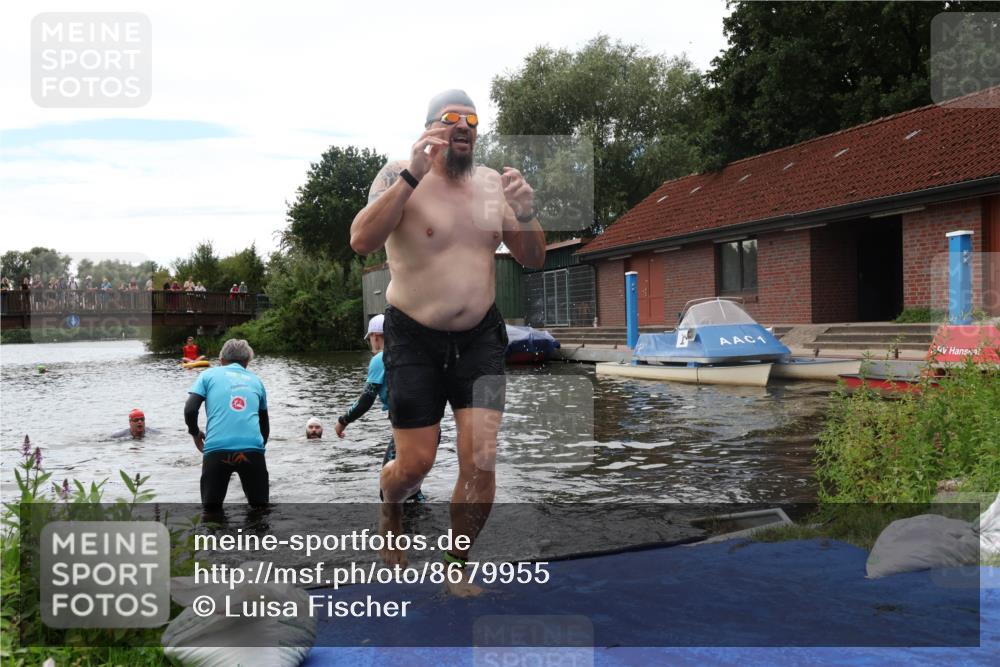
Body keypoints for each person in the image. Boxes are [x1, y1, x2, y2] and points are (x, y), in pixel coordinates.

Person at [349, 89, 545, 593]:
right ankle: (390, 506)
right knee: (414, 465)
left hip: (479, 337)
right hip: (413, 336)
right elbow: (361, 240)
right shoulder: (398, 173)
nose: (464, 127)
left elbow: (533, 257)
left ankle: (456, 564)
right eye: (452, 119)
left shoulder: (489, 186)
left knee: (481, 458)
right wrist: (413, 175)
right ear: (431, 128)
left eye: (472, 121)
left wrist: (524, 214)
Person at [334, 314, 426, 502]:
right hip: (431, 429)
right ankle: (422, 527)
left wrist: (343, 421)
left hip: (408, 431)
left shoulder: (381, 359)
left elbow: (366, 400)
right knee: (412, 488)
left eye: (370, 339)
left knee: (389, 491)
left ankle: (396, 530)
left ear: (376, 336)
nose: (371, 344)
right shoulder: (414, 354)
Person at [184, 339, 270, 513]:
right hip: (252, 449)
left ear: (221, 360)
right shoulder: (256, 381)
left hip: (217, 449)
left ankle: (216, 540)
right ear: (247, 362)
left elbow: (190, 409)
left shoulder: (207, 376)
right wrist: (257, 449)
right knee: (261, 511)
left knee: (211, 511)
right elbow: (264, 424)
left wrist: (195, 432)